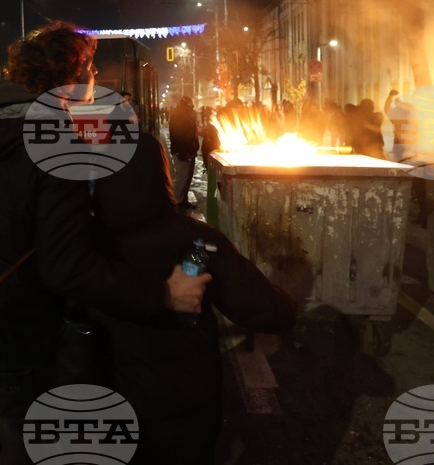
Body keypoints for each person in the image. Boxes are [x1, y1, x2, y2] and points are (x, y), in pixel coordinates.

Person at [0, 22, 210, 464]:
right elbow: (66, 266)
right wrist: (164, 294)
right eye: (90, 72)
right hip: (20, 334)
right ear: (73, 79)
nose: (96, 84)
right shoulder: (52, 142)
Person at [93, 134, 298, 464]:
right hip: (187, 401)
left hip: (112, 394)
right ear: (162, 173)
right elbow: (263, 308)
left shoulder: (84, 248)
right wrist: (289, 302)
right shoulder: (197, 239)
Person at [169, 95, 199, 209]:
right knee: (183, 177)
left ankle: (183, 200)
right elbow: (177, 136)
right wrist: (181, 152)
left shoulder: (186, 116)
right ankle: (177, 202)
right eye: (189, 106)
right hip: (183, 151)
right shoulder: (178, 117)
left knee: (187, 177)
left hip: (189, 150)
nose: (191, 108)